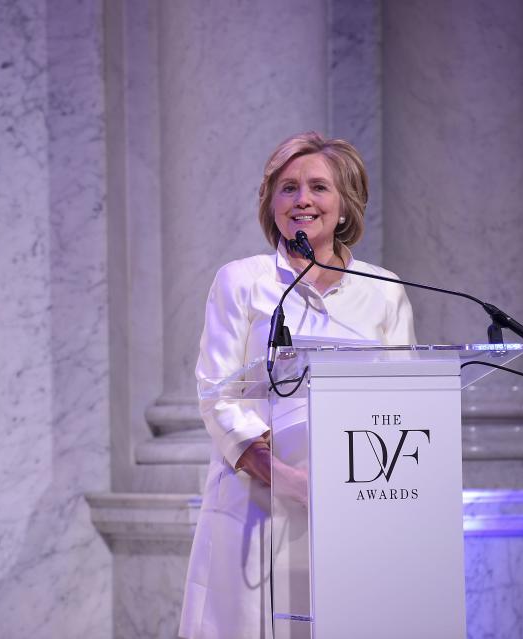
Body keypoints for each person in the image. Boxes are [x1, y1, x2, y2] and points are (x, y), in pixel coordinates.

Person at [178, 132, 417, 639]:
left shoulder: (385, 290)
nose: (302, 200)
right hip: (255, 501)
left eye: (318, 187)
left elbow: (405, 403)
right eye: (287, 188)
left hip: (356, 502)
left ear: (345, 204)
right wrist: (280, 475)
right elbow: (216, 390)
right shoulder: (241, 281)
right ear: (271, 204)